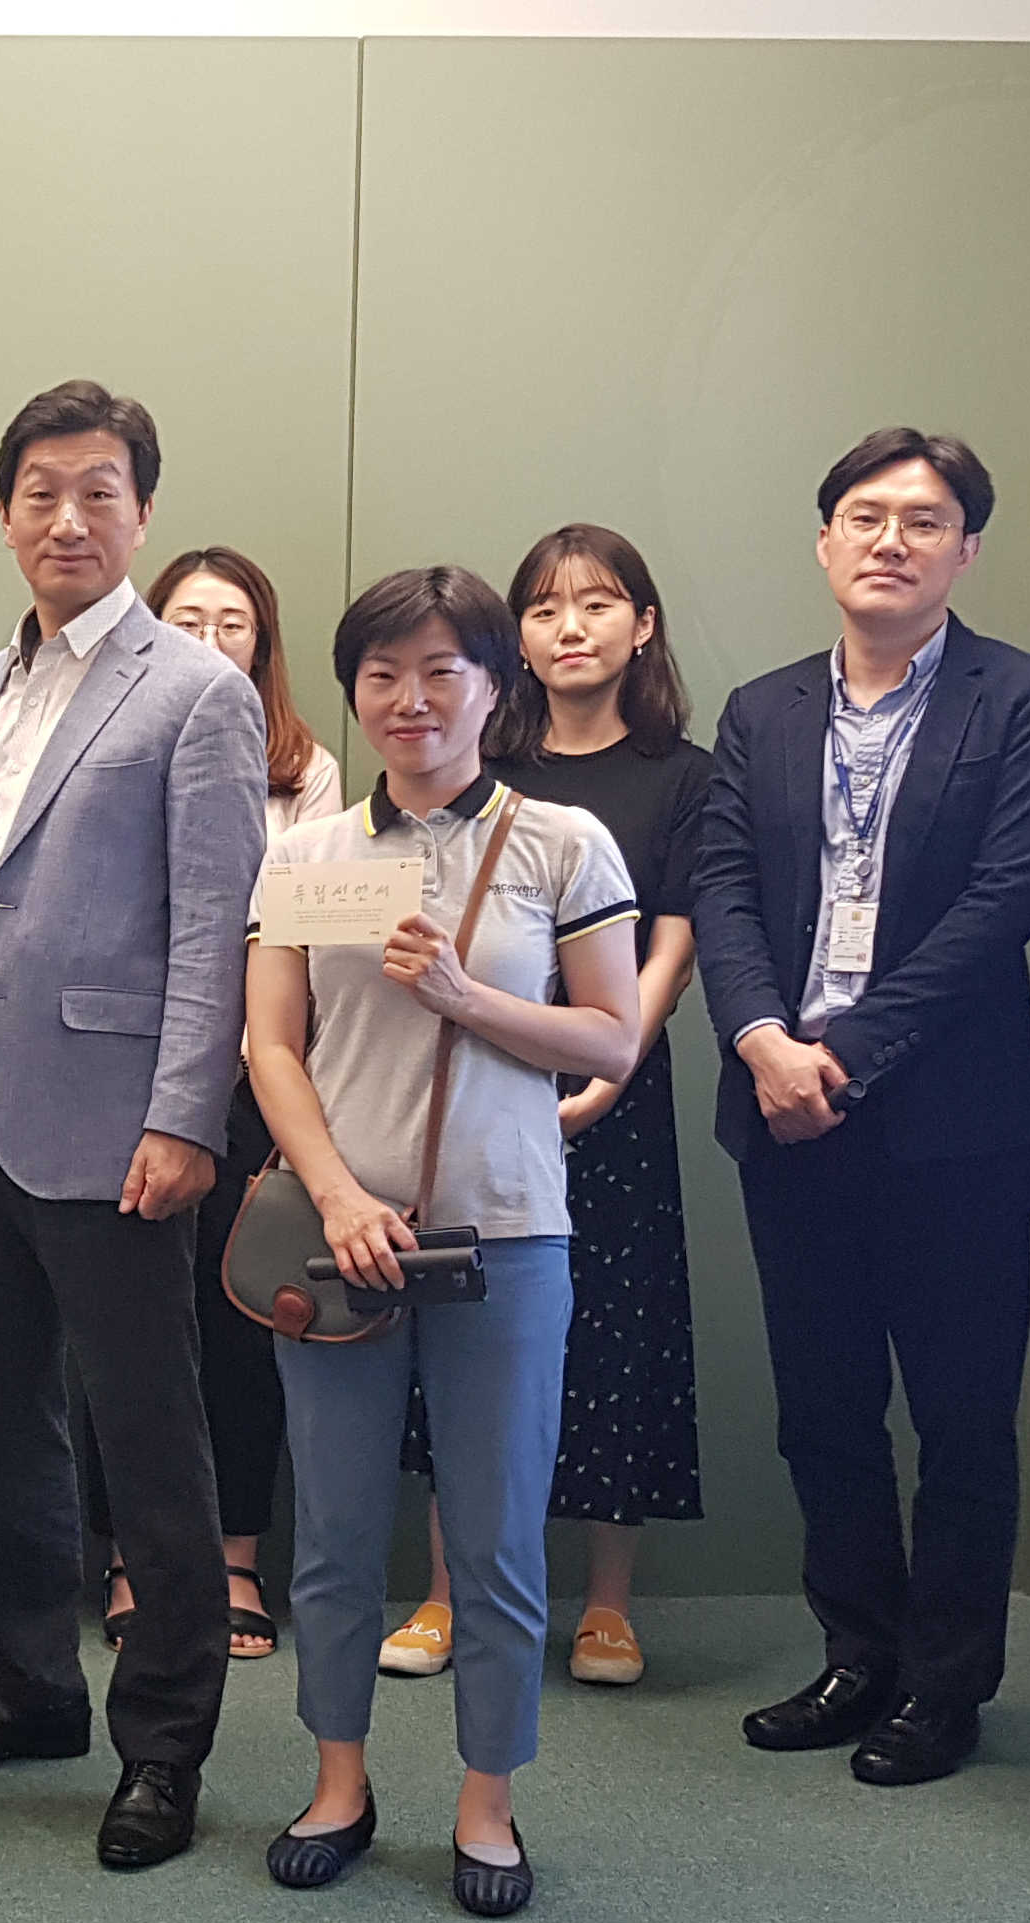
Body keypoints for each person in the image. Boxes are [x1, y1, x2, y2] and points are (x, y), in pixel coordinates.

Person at [0, 381, 269, 1871]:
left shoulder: (196, 694)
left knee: (148, 1435)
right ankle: (32, 1685)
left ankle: (165, 1742)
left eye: (98, 492)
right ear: (7, 512)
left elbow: (216, 926)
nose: (68, 519)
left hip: (118, 1119)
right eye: (41, 492)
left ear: (141, 514)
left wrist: (188, 1116)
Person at [247, 566, 644, 1919]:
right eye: (381, 675)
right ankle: (337, 1785)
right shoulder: (308, 856)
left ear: (493, 686)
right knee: (334, 1533)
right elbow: (272, 1048)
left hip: (508, 1236)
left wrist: (468, 995)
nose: (409, 700)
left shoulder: (562, 845)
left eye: (440, 672)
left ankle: (488, 1802)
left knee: (495, 1538)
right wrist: (336, 1197)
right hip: (339, 1241)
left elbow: (612, 1039)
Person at [686, 429, 1030, 1789]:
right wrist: (761, 1039)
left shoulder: (1023, 700)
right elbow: (722, 890)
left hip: (950, 1125)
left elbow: (1004, 902)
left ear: (966, 551)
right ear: (825, 542)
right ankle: (857, 1653)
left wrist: (841, 1054)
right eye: (865, 516)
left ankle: (945, 1685)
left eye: (922, 521)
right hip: (781, 1111)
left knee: (962, 1419)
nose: (890, 541)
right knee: (824, 1409)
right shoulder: (763, 709)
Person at [380, 526, 712, 1686]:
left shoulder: (682, 775)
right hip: (475, 1082)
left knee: (618, 1338)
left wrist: (607, 1073)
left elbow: (672, 943)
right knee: (456, 1329)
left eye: (599, 603)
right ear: (511, 640)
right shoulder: (481, 764)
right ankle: (445, 1593)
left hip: (616, 1091)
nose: (571, 628)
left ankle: (607, 1605)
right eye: (544, 608)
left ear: (644, 625)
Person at [82, 544, 349, 1664]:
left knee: (244, 1322)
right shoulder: (112, 749)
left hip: (258, 1084)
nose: (209, 639)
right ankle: (132, 1562)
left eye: (231, 622)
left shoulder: (307, 772)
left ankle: (236, 1558)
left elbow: (310, 932)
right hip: (129, 1078)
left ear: (262, 643)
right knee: (127, 1329)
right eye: (186, 620)